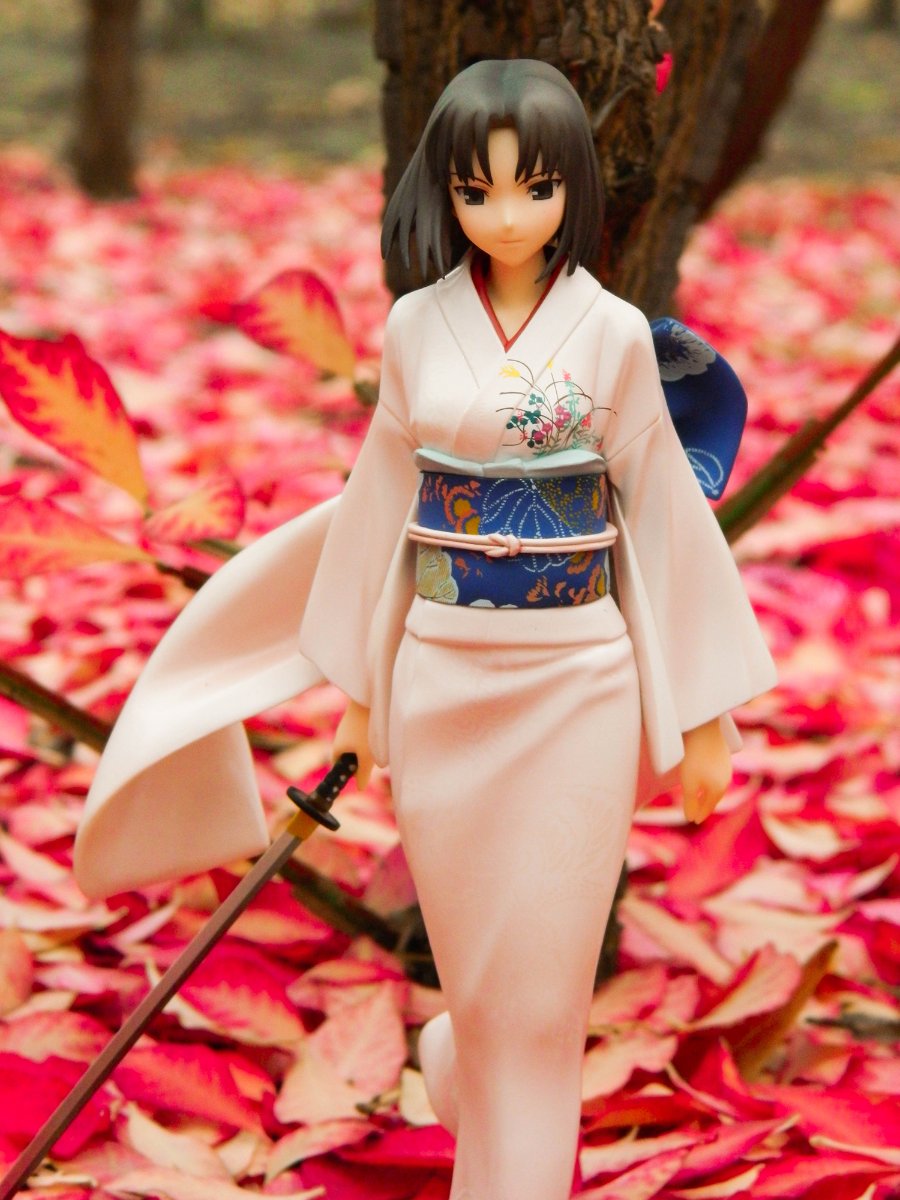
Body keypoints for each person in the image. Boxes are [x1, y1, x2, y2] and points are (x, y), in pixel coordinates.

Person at [75, 60, 776, 1200]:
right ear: (446, 194)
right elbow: (377, 516)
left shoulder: (608, 334)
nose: (508, 217)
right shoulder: (417, 327)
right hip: (442, 681)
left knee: (545, 1004)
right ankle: (462, 1062)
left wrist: (704, 715)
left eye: (536, 189)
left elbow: (660, 510)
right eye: (477, 192)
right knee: (484, 981)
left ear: (574, 190)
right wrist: (360, 700)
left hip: (578, 681)